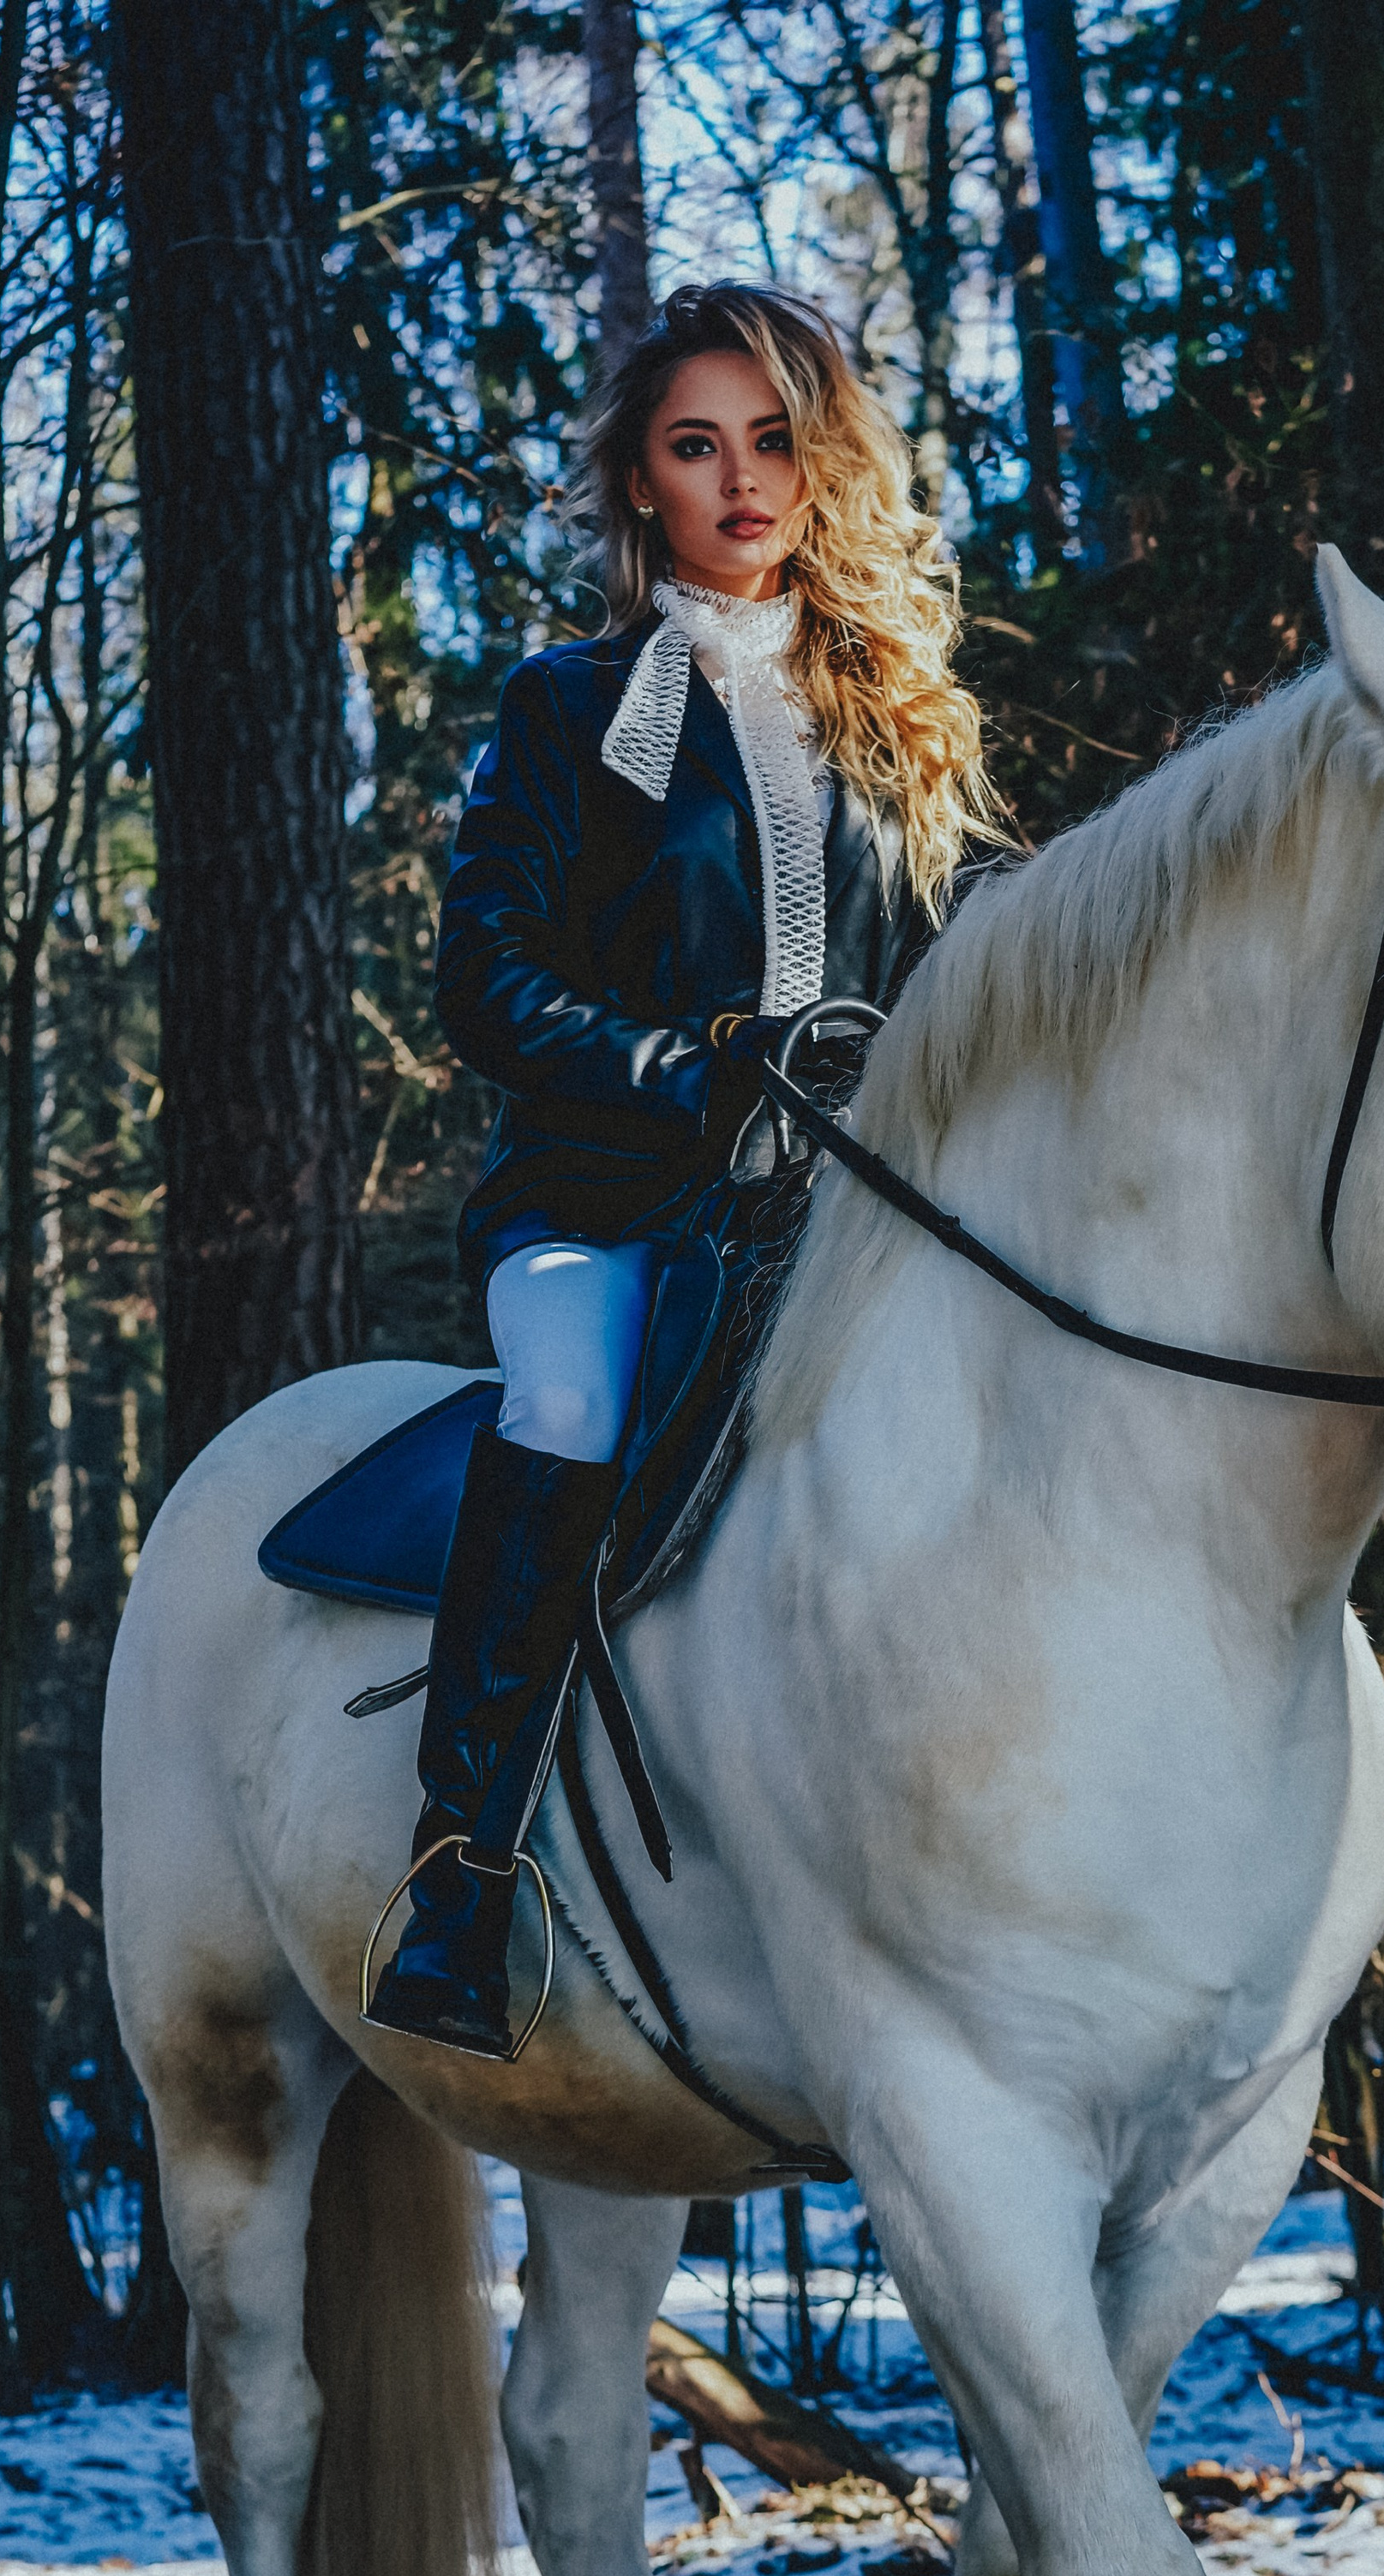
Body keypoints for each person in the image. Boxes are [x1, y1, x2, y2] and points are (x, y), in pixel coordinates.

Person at [368, 282, 1004, 2057]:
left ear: (825, 460)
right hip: (603, 1195)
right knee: (565, 1394)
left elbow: (961, 960)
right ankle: (465, 1866)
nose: (741, 479)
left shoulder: (896, 716)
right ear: (639, 484)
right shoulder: (573, 706)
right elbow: (481, 978)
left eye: (774, 439)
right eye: (693, 446)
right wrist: (666, 1058)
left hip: (839, 1207)